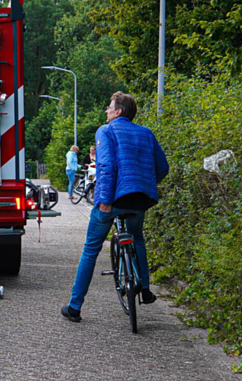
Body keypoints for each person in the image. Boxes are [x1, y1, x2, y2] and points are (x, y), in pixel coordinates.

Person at [61, 92, 169, 322]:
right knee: (137, 238)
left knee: (90, 250)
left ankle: (74, 307)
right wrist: (145, 184)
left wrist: (107, 202)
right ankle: (146, 290)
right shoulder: (146, 133)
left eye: (109, 108)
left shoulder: (106, 131)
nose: (106, 111)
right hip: (140, 198)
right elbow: (163, 168)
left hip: (113, 200)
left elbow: (107, 166)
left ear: (118, 111)